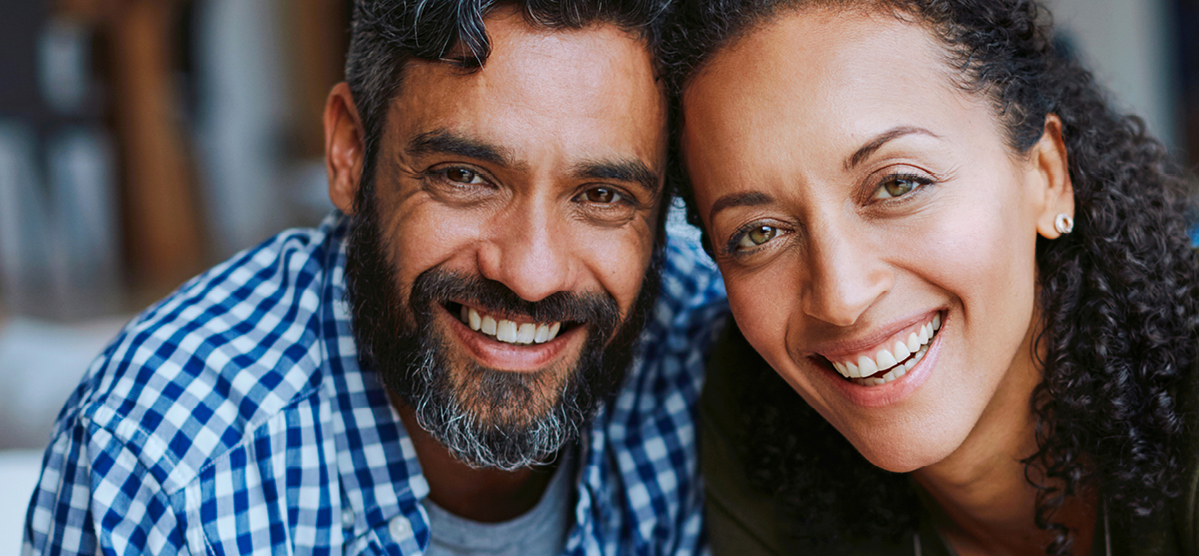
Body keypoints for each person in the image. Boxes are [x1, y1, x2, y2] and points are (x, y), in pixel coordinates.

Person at [663, 0, 1199, 554]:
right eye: (758, 233)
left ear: (1047, 176)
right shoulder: (753, 401)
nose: (839, 294)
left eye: (898, 184)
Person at [26, 1, 725, 554]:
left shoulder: (714, 354)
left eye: (602, 195)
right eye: (464, 177)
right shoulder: (164, 466)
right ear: (350, 154)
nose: (533, 273)